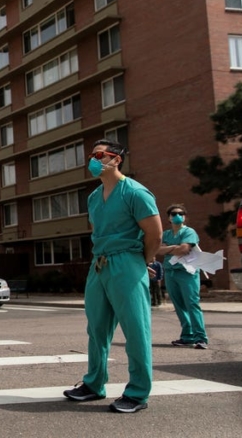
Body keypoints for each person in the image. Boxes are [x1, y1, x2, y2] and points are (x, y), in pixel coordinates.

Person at [63, 139, 161, 414]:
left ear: (116, 159)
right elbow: (98, 231)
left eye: (99, 155)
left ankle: (138, 392)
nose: (93, 160)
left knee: (135, 329)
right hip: (99, 263)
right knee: (96, 328)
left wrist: (142, 262)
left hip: (127, 261)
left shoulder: (136, 192)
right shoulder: (94, 197)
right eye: (91, 155)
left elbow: (155, 234)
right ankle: (94, 384)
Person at [158, 203, 208, 349]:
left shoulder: (189, 232)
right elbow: (158, 250)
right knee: (179, 305)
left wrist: (169, 248)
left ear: (185, 217)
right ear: (169, 217)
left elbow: (184, 249)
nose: (177, 216)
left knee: (192, 304)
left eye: (180, 213)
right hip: (171, 272)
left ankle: (200, 337)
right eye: (174, 214)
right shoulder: (166, 234)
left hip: (187, 273)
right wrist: (175, 248)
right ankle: (187, 336)